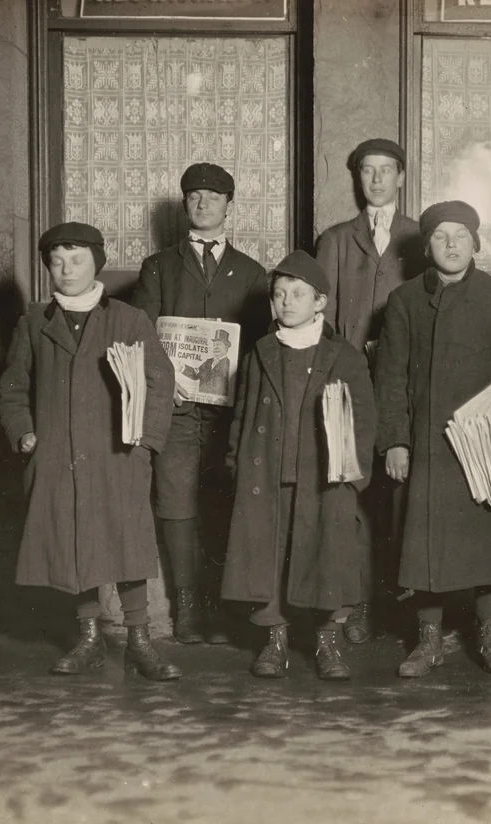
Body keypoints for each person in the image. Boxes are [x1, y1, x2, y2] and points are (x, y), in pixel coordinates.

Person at [375, 200, 491, 678]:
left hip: (486, 444)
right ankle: (427, 640)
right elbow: (389, 378)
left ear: (476, 242)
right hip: (426, 444)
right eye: (440, 236)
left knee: (488, 542)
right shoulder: (404, 301)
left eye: (460, 235)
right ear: (426, 247)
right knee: (422, 543)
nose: (451, 244)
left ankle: (489, 635)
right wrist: (395, 440)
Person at [0, 222, 179, 681]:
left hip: (119, 455)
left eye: (76, 259)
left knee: (127, 542)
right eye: (56, 261)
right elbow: (13, 390)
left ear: (96, 262)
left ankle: (140, 640)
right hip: (60, 456)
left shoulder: (128, 319)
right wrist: (24, 434)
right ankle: (90, 638)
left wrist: (147, 444)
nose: (65, 269)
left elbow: (161, 383)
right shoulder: (34, 324)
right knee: (74, 544)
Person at [221, 251, 376, 681]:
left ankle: (327, 640)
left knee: (325, 556)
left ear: (320, 302)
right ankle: (275, 639)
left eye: (298, 294)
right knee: (268, 558)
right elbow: (242, 415)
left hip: (324, 479)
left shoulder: (342, 355)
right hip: (267, 475)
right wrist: (237, 464)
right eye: (279, 294)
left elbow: (364, 419)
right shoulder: (260, 353)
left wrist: (353, 480)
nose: (287, 302)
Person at [133, 162, 271, 645]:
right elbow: (144, 335)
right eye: (194, 195)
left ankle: (222, 605)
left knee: (227, 501)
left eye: (213, 196)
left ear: (229, 205)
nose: (203, 203)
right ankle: (186, 607)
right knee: (175, 504)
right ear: (184, 204)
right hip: (177, 409)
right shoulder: (159, 267)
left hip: (230, 414)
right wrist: (161, 380)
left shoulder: (252, 272)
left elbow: (261, 346)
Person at [316, 138, 425, 645]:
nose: (377, 180)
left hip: (405, 386)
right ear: (357, 179)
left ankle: (405, 606)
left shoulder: (422, 237)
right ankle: (357, 603)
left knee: (404, 495)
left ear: (401, 177)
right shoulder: (336, 239)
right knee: (355, 496)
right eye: (367, 171)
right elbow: (321, 318)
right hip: (350, 384)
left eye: (386, 171)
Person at [182, 329, 232, 400]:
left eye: (219, 344)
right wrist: (182, 367)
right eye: (214, 345)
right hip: (201, 401)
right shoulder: (208, 362)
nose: (216, 347)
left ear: (226, 348)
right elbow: (196, 374)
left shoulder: (229, 364)